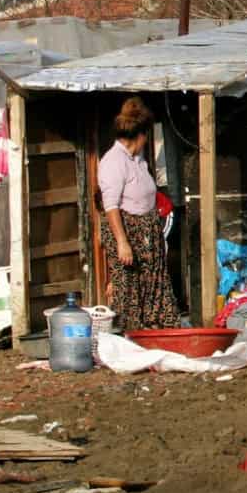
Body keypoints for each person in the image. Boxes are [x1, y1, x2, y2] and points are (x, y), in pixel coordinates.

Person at [97, 96, 180, 331]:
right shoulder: (113, 161)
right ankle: (131, 334)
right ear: (141, 135)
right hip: (127, 230)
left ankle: (157, 330)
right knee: (129, 286)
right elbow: (111, 205)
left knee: (154, 282)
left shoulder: (138, 159)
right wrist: (122, 243)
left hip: (147, 229)